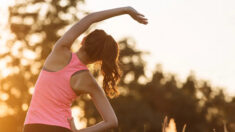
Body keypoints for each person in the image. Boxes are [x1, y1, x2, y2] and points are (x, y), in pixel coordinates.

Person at [23, 6, 148, 132]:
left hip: (32, 127)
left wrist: (125, 10)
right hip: (61, 128)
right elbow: (112, 121)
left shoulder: (60, 50)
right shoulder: (88, 81)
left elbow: (90, 18)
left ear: (83, 40)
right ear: (98, 59)